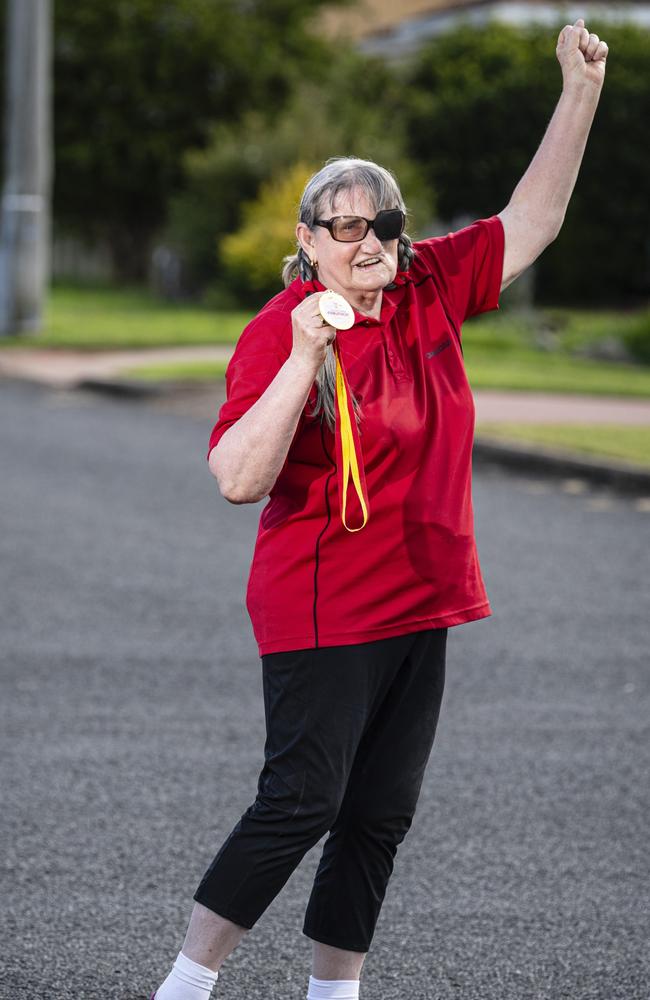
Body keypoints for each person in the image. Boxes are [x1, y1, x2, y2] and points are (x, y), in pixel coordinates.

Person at [150, 19, 607, 1000]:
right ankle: (186, 983)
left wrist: (577, 94)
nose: (370, 241)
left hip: (420, 597)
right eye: (345, 225)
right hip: (323, 600)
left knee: (378, 811)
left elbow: (531, 221)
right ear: (307, 239)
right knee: (301, 798)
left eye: (383, 222)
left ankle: (334, 991)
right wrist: (303, 362)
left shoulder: (427, 285)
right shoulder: (279, 328)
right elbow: (236, 475)